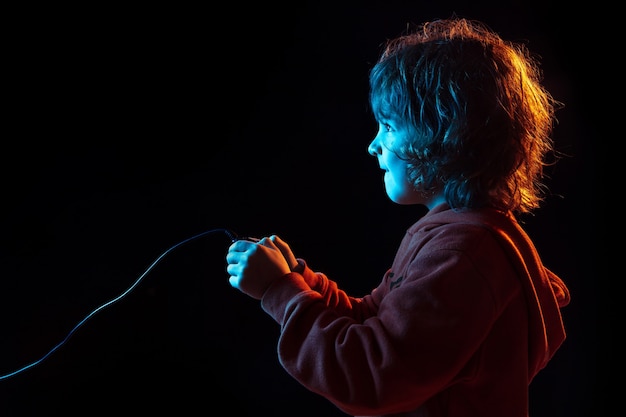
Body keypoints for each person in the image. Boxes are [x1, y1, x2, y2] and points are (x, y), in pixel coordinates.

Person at [225, 16, 570, 417]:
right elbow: (376, 321)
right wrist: (301, 281)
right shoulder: (454, 235)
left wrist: (281, 292)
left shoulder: (466, 252)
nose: (373, 145)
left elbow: (372, 376)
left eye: (388, 126)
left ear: (444, 134)